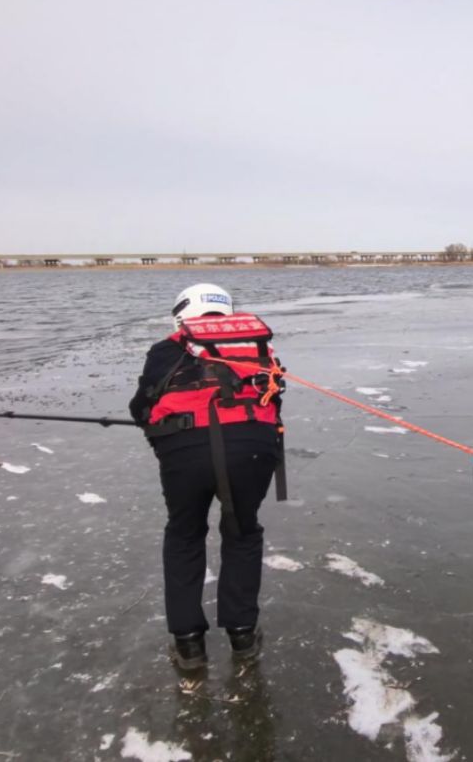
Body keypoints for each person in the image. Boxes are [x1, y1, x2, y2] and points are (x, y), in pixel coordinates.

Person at [129, 283, 286, 671]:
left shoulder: (166, 349)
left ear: (182, 312)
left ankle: (188, 644)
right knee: (242, 532)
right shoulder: (258, 346)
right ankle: (242, 634)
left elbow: (142, 407)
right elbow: (273, 397)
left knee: (184, 533)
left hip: (186, 453)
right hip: (254, 448)